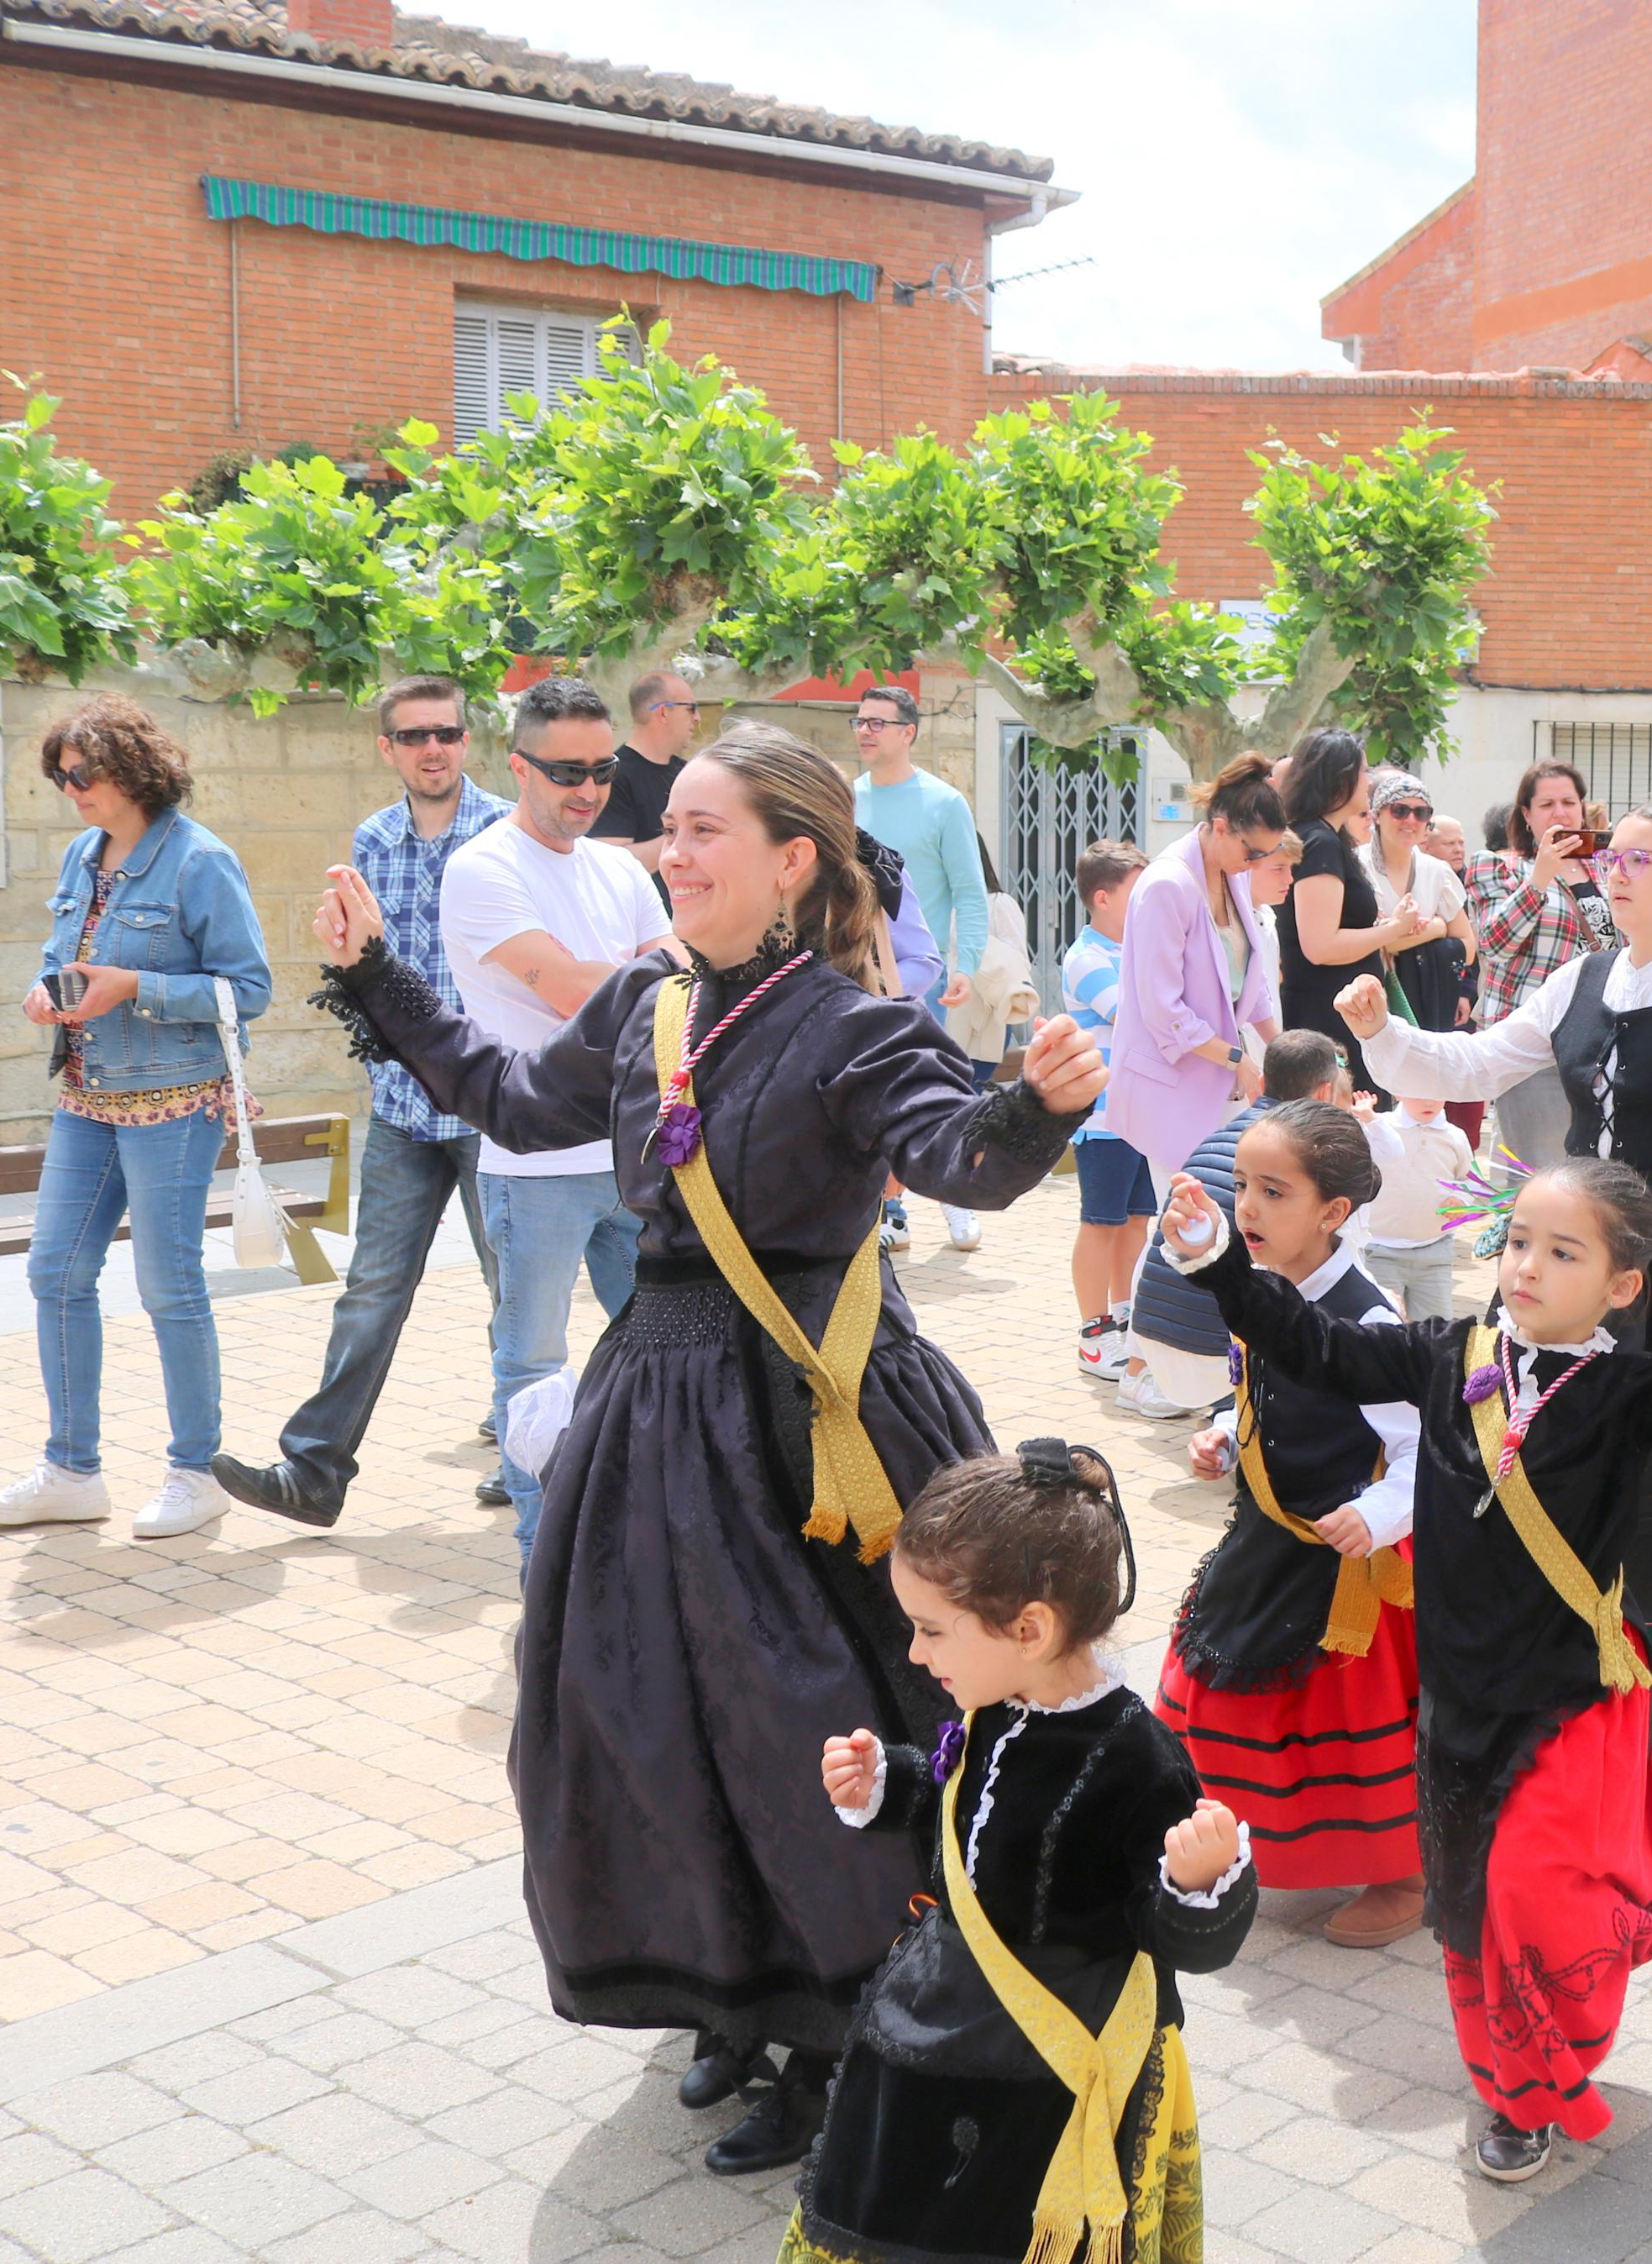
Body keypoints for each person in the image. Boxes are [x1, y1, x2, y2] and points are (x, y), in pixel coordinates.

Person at [304, 722, 1103, 2175]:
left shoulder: (851, 1025)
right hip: (655, 1408)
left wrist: (1039, 1100)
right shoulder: (644, 1004)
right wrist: (375, 980)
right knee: (641, 1716)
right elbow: (502, 1094)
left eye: (701, 830)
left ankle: (852, 2028)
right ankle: (733, 1992)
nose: (667, 850)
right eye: (667, 830)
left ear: (794, 861)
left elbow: (961, 1155)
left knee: (811, 1722)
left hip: (815, 1415)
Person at [1158, 1158, 1652, 2183]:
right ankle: (1512, 2091)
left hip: (1568, 1701)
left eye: (1563, 1252)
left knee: (1533, 1894)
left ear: (1621, 1285)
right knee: (1467, 1911)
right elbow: (1319, 1349)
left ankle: (1552, 2058)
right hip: (1454, 1703)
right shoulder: (1444, 1351)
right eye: (1518, 1242)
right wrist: (1215, 1271)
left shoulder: (1633, 1386)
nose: (1528, 1266)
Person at [1337, 805, 1652, 1764]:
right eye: (1609, 857)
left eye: (1638, 860)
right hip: (1573, 1232)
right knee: (1546, 1427)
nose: (1614, 873)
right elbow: (1478, 1059)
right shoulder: (1580, 976)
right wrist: (1384, 1033)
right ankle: (1579, 1641)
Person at [802, 1443, 1254, 2264]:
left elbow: (1184, 1943)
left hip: (1057, 2069)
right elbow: (963, 1807)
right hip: (950, 2027)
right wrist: (886, 1784)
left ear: (1030, 1628)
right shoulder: (997, 1704)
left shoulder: (1139, 1760)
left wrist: (1202, 1882)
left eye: (931, 1628)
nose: (913, 1652)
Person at [0, 697, 274, 1542]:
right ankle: (71, 1471)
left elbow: (248, 991)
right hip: (85, 1096)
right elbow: (61, 955)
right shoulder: (81, 853)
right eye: (59, 776)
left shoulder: (200, 861)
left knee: (168, 1287)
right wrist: (46, 988)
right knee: (54, 1272)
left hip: (174, 1102)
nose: (71, 790)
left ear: (131, 768)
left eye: (82, 774)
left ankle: (195, 1470)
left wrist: (135, 985)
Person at [210, 680, 506, 1529]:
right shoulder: (372, 840)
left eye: (446, 731)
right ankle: (314, 1472)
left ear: (467, 739)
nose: (432, 748)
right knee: (371, 1290)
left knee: (514, 1290)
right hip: (406, 1112)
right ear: (388, 749)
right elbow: (368, 969)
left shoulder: (507, 832)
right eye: (413, 736)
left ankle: (532, 1458)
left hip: (493, 1108)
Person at [1150, 1103, 1429, 1949]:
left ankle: (1402, 1872)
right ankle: (1238, 1835)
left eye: (1274, 1191)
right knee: (1211, 1694)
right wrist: (1225, 1437)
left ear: (1333, 1212)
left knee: (1343, 1730)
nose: (1248, 1208)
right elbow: (1257, 1391)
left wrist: (1376, 1515)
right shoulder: (1263, 1287)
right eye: (1241, 1185)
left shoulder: (1370, 1319)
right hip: (1266, 1533)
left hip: (1344, 1560)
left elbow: (1425, 1447)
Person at [438, 675, 673, 1557]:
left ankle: (642, 1540)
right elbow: (579, 992)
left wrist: (641, 976)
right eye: (566, 771)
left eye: (603, 769)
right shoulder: (483, 867)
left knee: (664, 1357)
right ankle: (545, 1565)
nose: (588, 789)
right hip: (534, 1164)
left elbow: (667, 973)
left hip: (635, 1151)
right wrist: (646, 977)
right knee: (532, 1372)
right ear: (518, 765)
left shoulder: (618, 865)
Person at [1119, 1032, 1362, 1420]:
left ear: (1262, 1084)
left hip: (1152, 1339)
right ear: (1324, 1095)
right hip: (1213, 1353)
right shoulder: (1302, 1155)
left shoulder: (1218, 1136)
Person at [1108, 754, 1287, 1244]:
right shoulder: (1166, 884)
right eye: (1253, 852)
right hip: (1170, 1086)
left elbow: (1248, 987)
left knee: (1217, 1229)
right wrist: (1239, 1060)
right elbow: (1162, 1011)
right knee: (1184, 1229)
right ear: (1221, 827)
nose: (1255, 866)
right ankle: (1145, 1324)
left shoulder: (1235, 874)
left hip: (1222, 1083)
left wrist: (1288, 1046)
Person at [848, 684, 995, 1253]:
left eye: (878, 723)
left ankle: (955, 1195)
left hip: (921, 976)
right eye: (859, 721)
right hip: (853, 979)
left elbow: (969, 890)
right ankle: (893, 1210)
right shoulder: (845, 797)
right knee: (871, 1100)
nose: (865, 731)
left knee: (926, 1095)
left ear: (908, 732)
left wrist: (969, 964)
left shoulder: (943, 802)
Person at [1466, 762, 1617, 1165]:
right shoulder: (1497, 865)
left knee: (1591, 1171)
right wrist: (1541, 877)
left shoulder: (1606, 869)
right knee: (1535, 1170)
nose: (1561, 812)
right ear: (1527, 815)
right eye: (1547, 804)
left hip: (1597, 1038)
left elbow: (1619, 946)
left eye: (1569, 802)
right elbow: (1495, 944)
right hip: (1531, 1038)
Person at [1277, 728, 1430, 1095]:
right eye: (1364, 771)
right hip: (1327, 1020)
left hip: (1336, 1015)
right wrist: (1394, 928)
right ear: (1340, 777)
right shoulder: (1320, 842)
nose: (1370, 780)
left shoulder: (1323, 838)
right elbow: (1320, 945)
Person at [1062, 838, 1155, 1382]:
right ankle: (1094, 1333)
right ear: (1102, 897)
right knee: (1101, 1223)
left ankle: (1125, 1319)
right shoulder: (1086, 957)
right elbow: (1134, 1015)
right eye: (1136, 892)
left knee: (1136, 1221)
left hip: (1142, 1115)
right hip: (1103, 1118)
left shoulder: (1135, 951)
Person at [1359, 770, 1474, 1040]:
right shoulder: (1357, 866)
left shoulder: (1438, 872)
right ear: (1377, 814)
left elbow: (1468, 948)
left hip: (1427, 1002)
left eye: (1421, 813)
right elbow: (1376, 944)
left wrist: (1414, 932)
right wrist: (1437, 926)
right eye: (1399, 810)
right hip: (1371, 1001)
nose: (1411, 820)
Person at [1366, 1094, 1477, 1324]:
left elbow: (1470, 1179)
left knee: (1435, 1330)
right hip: (1380, 1250)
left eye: (1436, 1093)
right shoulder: (1380, 1128)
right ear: (1398, 1090)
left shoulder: (1454, 1136)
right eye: (1419, 1093)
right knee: (1383, 1329)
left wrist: (1461, 1199)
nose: (1429, 1101)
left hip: (1434, 1251)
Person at [587, 669, 697, 876]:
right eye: (691, 708)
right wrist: (687, 835)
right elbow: (610, 863)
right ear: (664, 712)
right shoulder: (611, 776)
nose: (697, 718)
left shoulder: (689, 773)